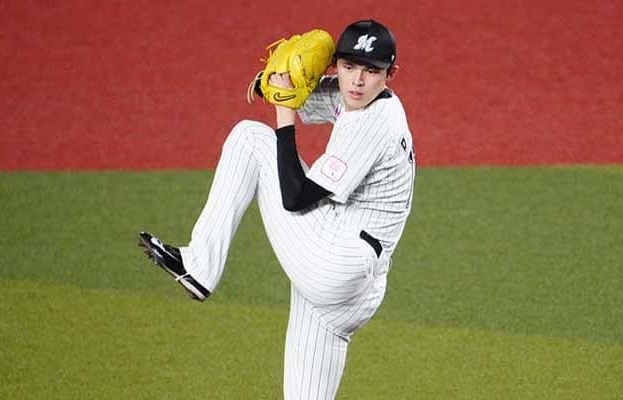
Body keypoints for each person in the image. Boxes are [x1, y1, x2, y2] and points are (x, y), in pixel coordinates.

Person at [138, 19, 415, 400]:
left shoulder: (374, 124)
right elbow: (301, 95)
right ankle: (200, 266)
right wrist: (271, 82)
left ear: (390, 73)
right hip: (351, 288)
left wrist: (284, 115)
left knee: (250, 139)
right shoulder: (364, 96)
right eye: (349, 66)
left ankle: (201, 266)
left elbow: (295, 196)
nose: (357, 80)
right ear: (336, 64)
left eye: (371, 70)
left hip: (336, 264)